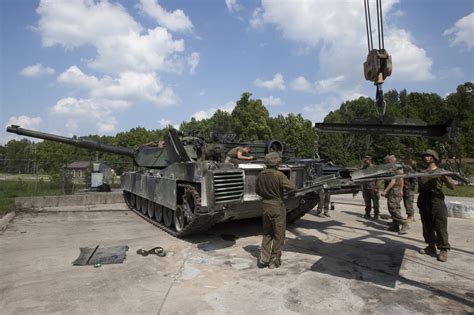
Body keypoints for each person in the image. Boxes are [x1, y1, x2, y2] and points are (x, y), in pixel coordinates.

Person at [255, 152, 296, 269]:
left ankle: (264, 259)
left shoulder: (260, 175)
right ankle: (274, 261)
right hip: (277, 207)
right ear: (276, 162)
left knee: (267, 233)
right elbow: (292, 187)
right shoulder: (279, 175)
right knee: (279, 235)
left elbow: (257, 191)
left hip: (265, 206)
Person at [417, 149, 455, 262]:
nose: (425, 158)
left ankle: (443, 249)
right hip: (424, 200)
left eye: (428, 156)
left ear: (434, 157)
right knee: (426, 225)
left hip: (436, 200)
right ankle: (431, 246)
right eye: (424, 156)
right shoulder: (422, 172)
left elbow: (452, 186)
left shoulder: (441, 171)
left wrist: (444, 177)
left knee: (440, 225)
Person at [381, 154, 410, 234]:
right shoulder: (397, 168)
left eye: (386, 161)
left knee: (392, 208)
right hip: (396, 190)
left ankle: (404, 223)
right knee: (396, 208)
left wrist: (385, 191)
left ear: (389, 161)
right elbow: (401, 179)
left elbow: (393, 181)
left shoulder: (392, 170)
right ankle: (395, 226)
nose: (385, 163)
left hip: (393, 190)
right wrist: (401, 189)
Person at [361, 155, 380, 220]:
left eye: (366, 160)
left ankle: (376, 214)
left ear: (370, 160)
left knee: (375, 202)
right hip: (365, 187)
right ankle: (367, 213)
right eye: (365, 160)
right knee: (367, 201)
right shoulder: (364, 168)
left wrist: (376, 187)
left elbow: (378, 178)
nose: (365, 161)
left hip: (373, 187)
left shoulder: (374, 167)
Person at [402, 151, 417, 222]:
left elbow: (415, 174)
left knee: (409, 201)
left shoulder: (413, 162)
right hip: (404, 184)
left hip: (409, 185)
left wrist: (412, 185)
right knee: (405, 200)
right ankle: (409, 214)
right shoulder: (403, 162)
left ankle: (411, 216)